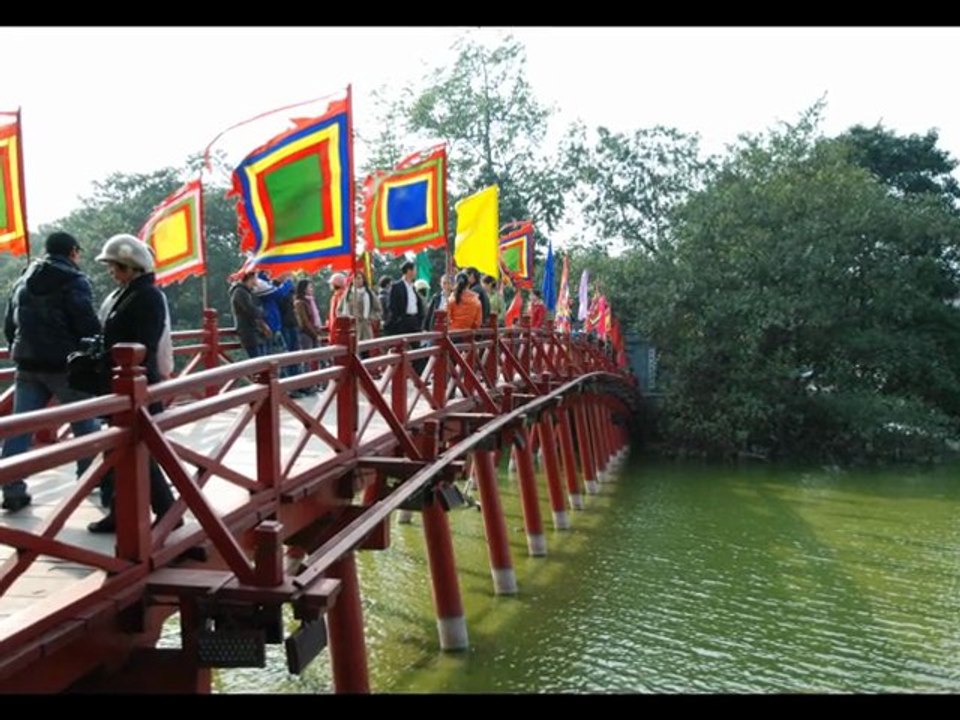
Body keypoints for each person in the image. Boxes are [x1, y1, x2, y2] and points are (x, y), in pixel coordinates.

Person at [1, 231, 102, 512]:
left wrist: (17, 349)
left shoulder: (24, 277)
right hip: (64, 365)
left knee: (20, 427)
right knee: (85, 423)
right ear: (72, 251)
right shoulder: (74, 280)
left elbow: (10, 322)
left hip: (27, 363)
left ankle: (12, 487)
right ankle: (89, 479)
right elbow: (86, 324)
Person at [87, 233, 176, 533]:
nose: (112, 273)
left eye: (116, 267)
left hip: (136, 384)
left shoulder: (148, 295)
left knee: (137, 450)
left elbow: (145, 343)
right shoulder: (126, 293)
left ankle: (166, 511)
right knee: (119, 450)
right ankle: (122, 511)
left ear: (132, 266)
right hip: (119, 382)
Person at [229, 269, 271, 359]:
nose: (257, 280)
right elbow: (251, 310)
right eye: (255, 277)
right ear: (250, 278)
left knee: (263, 362)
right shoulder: (240, 292)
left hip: (256, 331)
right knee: (257, 363)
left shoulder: (249, 292)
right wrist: (262, 312)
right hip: (248, 331)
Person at [338, 271, 382, 345]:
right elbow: (339, 310)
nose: (357, 280)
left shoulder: (369, 293)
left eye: (359, 278)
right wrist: (346, 318)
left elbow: (378, 310)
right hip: (351, 328)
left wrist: (370, 318)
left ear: (363, 280)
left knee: (366, 351)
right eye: (355, 278)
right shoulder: (348, 294)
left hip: (365, 328)